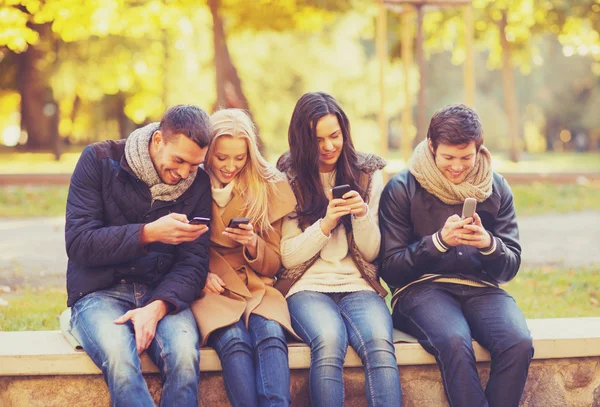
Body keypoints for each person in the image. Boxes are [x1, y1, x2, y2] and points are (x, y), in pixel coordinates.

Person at [379, 104, 534, 407]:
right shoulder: (402, 187)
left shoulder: (496, 187)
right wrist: (437, 242)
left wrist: (489, 244)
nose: (458, 167)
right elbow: (390, 269)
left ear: (479, 149)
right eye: (448, 158)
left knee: (518, 343)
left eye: (466, 157)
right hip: (421, 289)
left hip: (482, 289)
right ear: (432, 147)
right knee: (453, 340)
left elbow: (510, 266)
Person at [66, 105, 212, 407]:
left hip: (161, 295)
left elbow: (194, 264)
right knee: (120, 358)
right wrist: (148, 233)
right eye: (179, 160)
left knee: (184, 357)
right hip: (98, 292)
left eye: (194, 165)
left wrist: (157, 307)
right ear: (158, 141)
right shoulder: (99, 160)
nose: (184, 173)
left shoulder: (198, 184)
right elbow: (79, 242)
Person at [276, 91, 402, 407]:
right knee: (329, 341)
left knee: (379, 344)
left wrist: (360, 216)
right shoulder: (287, 177)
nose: (329, 146)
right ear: (302, 141)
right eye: (318, 140)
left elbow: (372, 253)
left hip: (359, 286)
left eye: (335, 136)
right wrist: (326, 224)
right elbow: (288, 255)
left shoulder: (368, 173)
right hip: (307, 288)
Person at [190, 109, 298, 407]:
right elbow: (174, 250)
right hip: (211, 287)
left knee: (271, 336)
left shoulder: (266, 186)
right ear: (208, 151)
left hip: (256, 285)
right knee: (234, 342)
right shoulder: (189, 182)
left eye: (240, 158)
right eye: (222, 157)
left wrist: (252, 243)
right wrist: (198, 276)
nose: (230, 166)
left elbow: (274, 263)